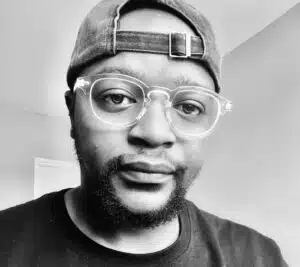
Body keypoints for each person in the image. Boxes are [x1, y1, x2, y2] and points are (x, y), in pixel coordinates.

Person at [0, 0, 289, 266]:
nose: (154, 133)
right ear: (72, 111)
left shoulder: (258, 257)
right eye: (117, 97)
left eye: (189, 106)